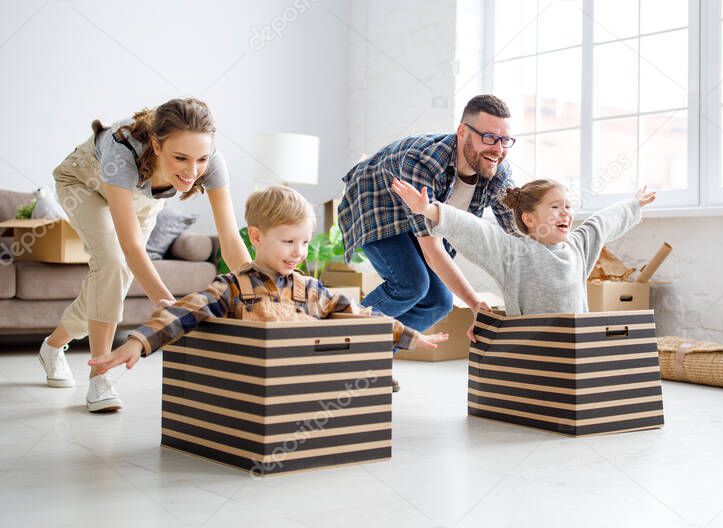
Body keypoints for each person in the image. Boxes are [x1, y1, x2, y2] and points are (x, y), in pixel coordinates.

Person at [88, 186, 448, 392]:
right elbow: (185, 309)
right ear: (256, 238)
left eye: (305, 242)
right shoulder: (233, 286)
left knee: (345, 335)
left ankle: (357, 385)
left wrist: (408, 335)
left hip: (306, 384)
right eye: (289, 241)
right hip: (261, 386)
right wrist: (137, 342)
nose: (299, 252)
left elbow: (361, 315)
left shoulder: (310, 289)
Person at [37, 98, 252, 413]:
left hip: (140, 197)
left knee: (110, 282)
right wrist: (170, 308)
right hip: (85, 183)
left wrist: (256, 288)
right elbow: (132, 248)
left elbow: (231, 238)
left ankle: (52, 346)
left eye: (201, 159)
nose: (193, 171)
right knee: (113, 265)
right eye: (181, 158)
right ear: (156, 144)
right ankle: (100, 375)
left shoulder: (211, 162)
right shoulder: (122, 151)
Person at [336, 94, 519, 336]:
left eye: (505, 140)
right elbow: (432, 250)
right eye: (489, 138)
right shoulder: (423, 161)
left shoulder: (497, 171)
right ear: (462, 131)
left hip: (415, 218)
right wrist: (475, 304)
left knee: (439, 302)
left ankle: (372, 354)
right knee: (411, 285)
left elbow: (517, 239)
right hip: (375, 203)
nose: (498, 149)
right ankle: (337, 335)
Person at [391, 177, 656, 316]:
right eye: (555, 207)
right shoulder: (514, 253)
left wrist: (633, 204)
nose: (565, 213)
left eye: (568, 207)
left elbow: (603, 222)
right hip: (532, 347)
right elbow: (474, 230)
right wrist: (429, 210)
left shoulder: (578, 246)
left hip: (575, 345)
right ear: (529, 219)